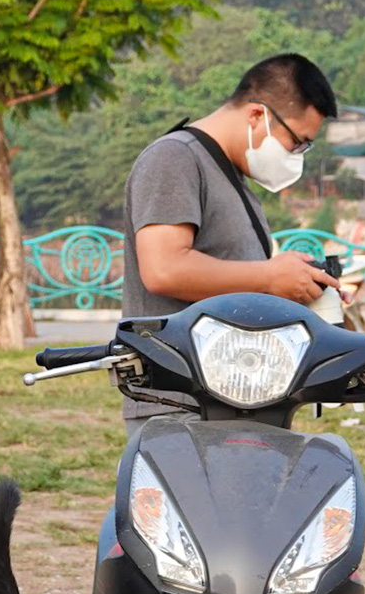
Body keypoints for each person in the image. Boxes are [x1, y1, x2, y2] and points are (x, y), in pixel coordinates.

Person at [120, 54, 339, 418]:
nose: (296, 155)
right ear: (257, 115)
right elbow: (163, 269)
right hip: (180, 405)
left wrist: (298, 288)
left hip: (238, 399)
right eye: (297, 142)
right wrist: (270, 278)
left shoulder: (232, 178)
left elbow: (233, 283)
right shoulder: (174, 158)